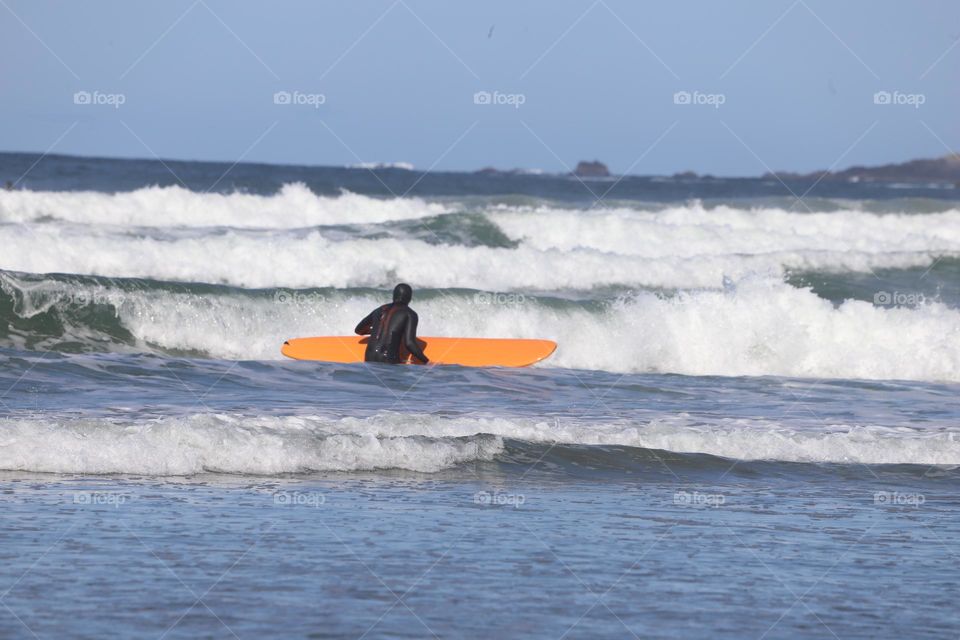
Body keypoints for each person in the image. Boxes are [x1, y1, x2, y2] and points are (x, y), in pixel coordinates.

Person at [354, 283, 429, 364]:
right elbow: (409, 343)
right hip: (389, 363)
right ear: (409, 298)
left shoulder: (379, 310)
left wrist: (376, 330)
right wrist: (427, 361)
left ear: (393, 296)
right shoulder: (409, 313)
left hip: (368, 360)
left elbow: (358, 330)